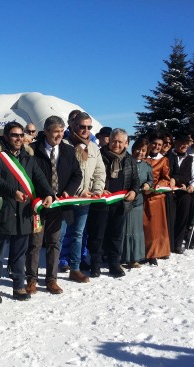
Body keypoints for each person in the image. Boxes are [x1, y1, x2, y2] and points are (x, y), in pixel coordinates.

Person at [0, 121, 54, 303]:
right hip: (4, 211)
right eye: (15, 135)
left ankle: (18, 285)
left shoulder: (28, 157)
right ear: (7, 136)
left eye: (21, 135)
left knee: (19, 253)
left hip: (24, 212)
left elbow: (39, 177)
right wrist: (11, 192)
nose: (18, 138)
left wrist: (49, 193)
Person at [25, 116, 81, 295]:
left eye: (62, 130)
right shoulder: (33, 150)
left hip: (58, 206)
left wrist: (67, 192)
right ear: (46, 131)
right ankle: (31, 279)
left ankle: (52, 279)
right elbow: (29, 177)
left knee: (54, 243)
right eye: (56, 131)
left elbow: (77, 175)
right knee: (35, 243)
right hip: (38, 206)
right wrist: (42, 196)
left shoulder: (68, 150)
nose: (60, 134)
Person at [60, 112, 106, 282]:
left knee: (78, 234)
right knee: (60, 235)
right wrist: (78, 192)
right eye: (82, 126)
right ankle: (53, 270)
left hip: (86, 198)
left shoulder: (93, 147)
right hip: (67, 197)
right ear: (72, 125)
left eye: (89, 127)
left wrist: (97, 189)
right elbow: (64, 174)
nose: (86, 130)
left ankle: (75, 267)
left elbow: (100, 171)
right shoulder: (64, 145)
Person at [87, 128, 139, 277]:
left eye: (120, 142)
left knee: (116, 235)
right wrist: (100, 189)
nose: (116, 144)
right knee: (98, 235)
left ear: (126, 143)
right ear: (109, 140)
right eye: (114, 140)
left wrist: (134, 191)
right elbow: (91, 176)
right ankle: (95, 265)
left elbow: (135, 179)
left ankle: (114, 264)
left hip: (121, 204)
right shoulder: (99, 155)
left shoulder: (129, 159)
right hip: (101, 202)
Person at [122, 138, 153, 267]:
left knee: (135, 230)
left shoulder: (146, 166)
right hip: (124, 200)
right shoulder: (126, 162)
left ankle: (134, 257)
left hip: (138, 201)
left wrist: (147, 184)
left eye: (143, 150)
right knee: (124, 228)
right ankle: (122, 256)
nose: (140, 152)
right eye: (138, 149)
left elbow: (151, 180)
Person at [167, 135, 194, 253]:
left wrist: (192, 186)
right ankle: (168, 243)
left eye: (186, 143)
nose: (184, 145)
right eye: (181, 142)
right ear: (175, 143)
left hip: (184, 191)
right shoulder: (167, 156)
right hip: (168, 190)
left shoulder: (191, 159)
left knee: (184, 209)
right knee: (171, 216)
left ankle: (178, 243)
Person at [143, 135, 172, 265]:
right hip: (141, 194)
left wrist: (157, 186)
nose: (157, 147)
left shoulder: (163, 160)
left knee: (154, 227)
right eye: (154, 143)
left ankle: (154, 252)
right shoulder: (142, 157)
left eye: (159, 145)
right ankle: (141, 251)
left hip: (155, 196)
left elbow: (166, 177)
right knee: (142, 226)